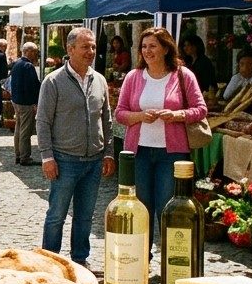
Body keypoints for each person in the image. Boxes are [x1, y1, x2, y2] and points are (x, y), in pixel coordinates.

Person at [116, 27, 208, 256]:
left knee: (169, 207)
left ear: (166, 49)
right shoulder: (133, 77)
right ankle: (141, 258)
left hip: (172, 154)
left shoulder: (183, 75)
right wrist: (139, 116)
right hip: (139, 153)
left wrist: (177, 115)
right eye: (144, 46)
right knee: (141, 207)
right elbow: (120, 113)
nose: (147, 51)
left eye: (153, 46)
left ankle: (172, 259)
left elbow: (201, 109)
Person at [37, 28, 116, 269]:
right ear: (70, 49)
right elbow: (43, 121)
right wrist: (47, 157)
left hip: (94, 160)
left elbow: (106, 120)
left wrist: (109, 153)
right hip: (65, 160)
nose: (90, 51)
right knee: (57, 215)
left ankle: (80, 259)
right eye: (85, 47)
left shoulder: (99, 80)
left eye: (93, 47)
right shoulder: (53, 81)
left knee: (85, 215)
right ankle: (50, 261)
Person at [11, 42, 42, 165]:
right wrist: (35, 102)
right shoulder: (28, 66)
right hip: (25, 102)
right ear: (29, 51)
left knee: (19, 128)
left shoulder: (17, 63)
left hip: (17, 100)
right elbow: (32, 86)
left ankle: (18, 154)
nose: (35, 54)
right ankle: (25, 157)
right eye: (34, 52)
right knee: (25, 130)